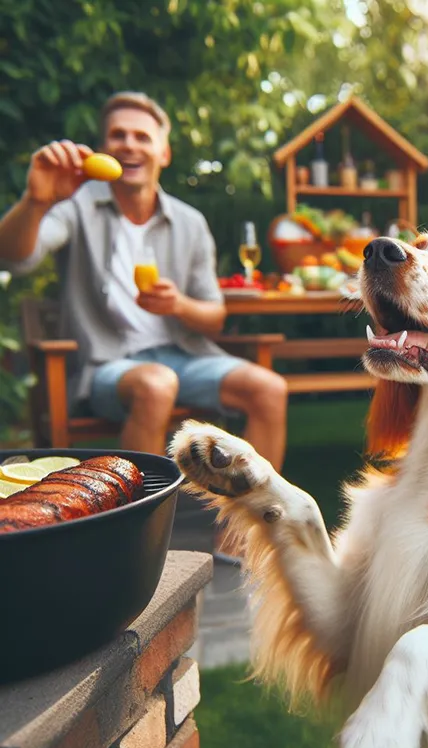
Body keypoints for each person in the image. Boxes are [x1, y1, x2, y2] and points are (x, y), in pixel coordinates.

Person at [0, 91, 288, 563]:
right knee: (158, 383)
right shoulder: (76, 207)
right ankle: (135, 541)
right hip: (108, 365)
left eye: (141, 136)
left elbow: (213, 315)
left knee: (269, 388)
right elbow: (14, 255)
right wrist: (36, 200)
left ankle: (239, 536)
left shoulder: (190, 223)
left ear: (163, 152)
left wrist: (179, 305)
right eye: (118, 135)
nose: (130, 145)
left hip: (183, 354)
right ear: (103, 150)